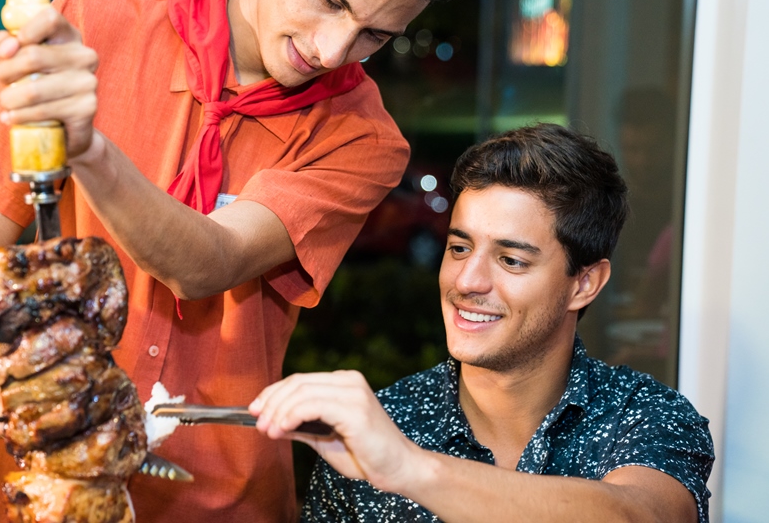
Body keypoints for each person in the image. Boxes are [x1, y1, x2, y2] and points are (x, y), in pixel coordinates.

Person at [0, 0, 480, 521]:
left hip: (220, 500)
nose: (332, 50)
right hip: (42, 488)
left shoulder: (363, 138)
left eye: (375, 35)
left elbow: (209, 262)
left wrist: (87, 149)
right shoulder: (91, 24)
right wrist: (35, 388)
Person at [250, 123, 714, 522]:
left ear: (584, 283)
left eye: (511, 260)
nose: (467, 281)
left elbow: (640, 514)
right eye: (459, 248)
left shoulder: (645, 414)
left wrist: (408, 468)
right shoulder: (379, 427)